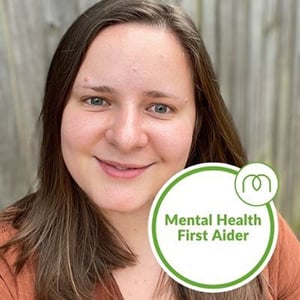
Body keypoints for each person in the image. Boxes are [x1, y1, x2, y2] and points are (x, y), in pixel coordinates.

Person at [0, 0, 299, 299]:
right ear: (58, 109)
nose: (126, 137)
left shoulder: (251, 230)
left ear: (198, 123)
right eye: (96, 100)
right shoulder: (9, 267)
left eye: (160, 107)